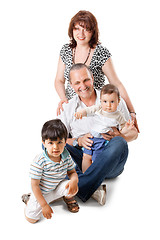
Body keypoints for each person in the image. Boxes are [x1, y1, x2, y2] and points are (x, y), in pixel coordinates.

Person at [59, 63, 138, 205]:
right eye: (77, 83)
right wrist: (78, 141)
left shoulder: (112, 98)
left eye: (86, 80)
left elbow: (134, 133)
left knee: (119, 143)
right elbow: (60, 140)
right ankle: (93, 187)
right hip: (83, 156)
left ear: (93, 78)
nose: (83, 85)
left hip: (109, 161)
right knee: (48, 144)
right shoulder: (68, 107)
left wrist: (120, 136)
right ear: (71, 85)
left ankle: (77, 186)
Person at [54, 10, 139, 132]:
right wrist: (64, 99)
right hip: (74, 107)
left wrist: (131, 112)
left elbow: (116, 83)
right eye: (77, 29)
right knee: (58, 137)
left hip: (98, 107)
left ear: (93, 31)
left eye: (86, 29)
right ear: (71, 30)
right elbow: (59, 80)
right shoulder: (66, 50)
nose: (81, 34)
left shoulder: (101, 52)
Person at [23, 119, 79, 223]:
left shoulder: (66, 156)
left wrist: (74, 181)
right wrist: (44, 205)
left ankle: (59, 198)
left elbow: (72, 173)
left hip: (56, 187)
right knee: (32, 219)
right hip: (41, 192)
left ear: (65, 141)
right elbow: (34, 185)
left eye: (59, 142)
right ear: (44, 143)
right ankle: (30, 200)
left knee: (73, 188)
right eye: (50, 143)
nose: (55, 147)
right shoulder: (40, 161)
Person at [74, 83, 129, 173]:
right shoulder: (99, 108)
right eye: (105, 101)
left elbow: (123, 126)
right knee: (86, 156)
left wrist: (127, 127)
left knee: (96, 160)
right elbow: (89, 110)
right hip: (91, 137)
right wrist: (81, 113)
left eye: (112, 102)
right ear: (100, 101)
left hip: (102, 140)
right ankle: (86, 177)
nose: (108, 105)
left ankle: (94, 178)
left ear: (118, 101)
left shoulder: (118, 115)